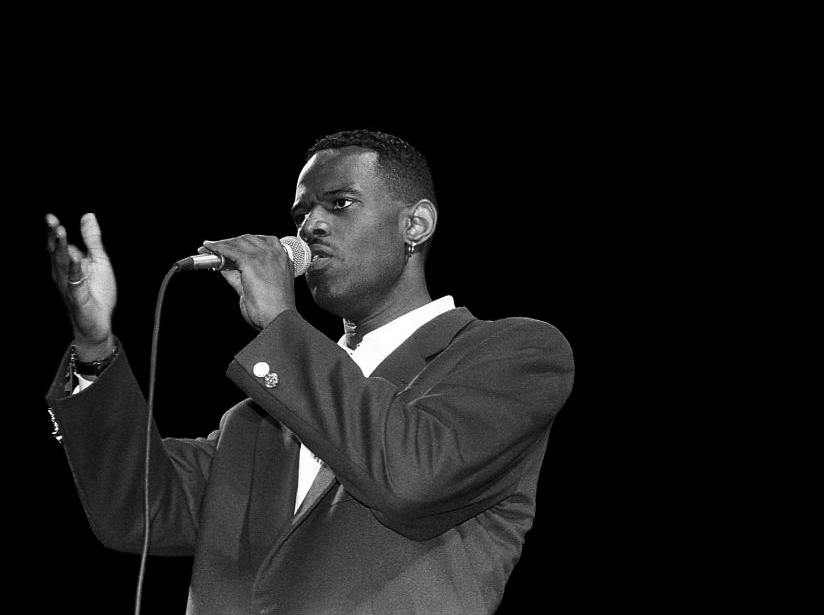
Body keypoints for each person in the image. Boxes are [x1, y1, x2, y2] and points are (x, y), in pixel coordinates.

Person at [44, 130, 575, 615]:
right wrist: (96, 347)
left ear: (414, 224)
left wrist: (280, 321)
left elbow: (415, 477)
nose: (310, 227)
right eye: (301, 215)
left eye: (339, 204)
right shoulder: (257, 417)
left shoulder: (514, 352)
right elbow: (136, 508)